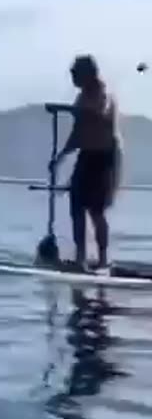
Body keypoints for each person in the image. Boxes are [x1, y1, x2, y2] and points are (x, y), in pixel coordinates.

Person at [49, 54, 123, 271]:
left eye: (75, 74)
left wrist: (70, 110)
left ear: (88, 74)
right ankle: (80, 257)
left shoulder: (104, 94)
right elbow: (78, 132)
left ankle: (102, 259)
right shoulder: (81, 98)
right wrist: (61, 157)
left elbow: (97, 112)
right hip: (87, 156)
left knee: (96, 210)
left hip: (104, 157)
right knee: (76, 206)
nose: (72, 78)